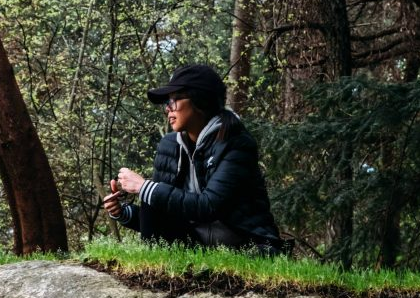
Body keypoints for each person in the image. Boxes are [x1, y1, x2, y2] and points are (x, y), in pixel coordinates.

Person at [102, 64, 285, 254]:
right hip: (197, 239)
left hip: (243, 242)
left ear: (200, 101)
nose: (167, 109)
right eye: (167, 102)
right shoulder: (169, 145)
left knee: (151, 190)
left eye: (173, 100)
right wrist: (124, 213)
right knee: (152, 196)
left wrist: (144, 187)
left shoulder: (236, 143)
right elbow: (164, 211)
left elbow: (209, 206)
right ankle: (161, 272)